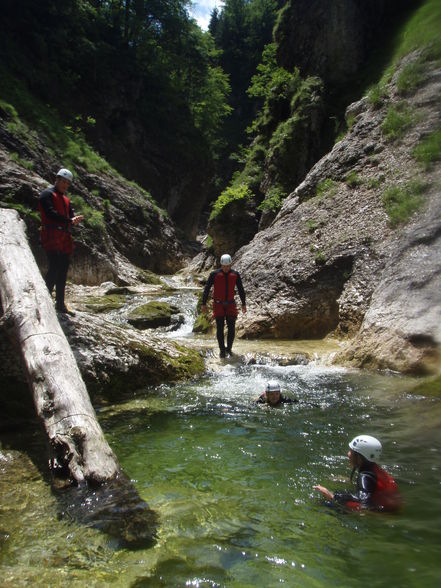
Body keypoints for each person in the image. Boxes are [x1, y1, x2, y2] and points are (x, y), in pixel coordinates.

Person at [313, 434, 402, 512]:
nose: (348, 454)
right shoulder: (374, 468)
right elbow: (373, 486)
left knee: (325, 504)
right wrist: (348, 480)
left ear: (359, 458)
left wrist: (332, 496)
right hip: (392, 506)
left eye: (351, 451)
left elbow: (363, 499)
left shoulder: (364, 476)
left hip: (380, 511)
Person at [38, 168, 83, 315]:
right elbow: (51, 213)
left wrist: (73, 220)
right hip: (51, 233)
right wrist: (69, 220)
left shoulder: (66, 200)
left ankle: (60, 304)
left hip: (64, 236)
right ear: (56, 179)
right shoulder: (47, 194)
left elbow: (69, 216)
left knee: (63, 269)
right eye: (63, 181)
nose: (65, 185)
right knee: (54, 267)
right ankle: (44, 301)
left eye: (67, 183)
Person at [201, 253, 246, 358]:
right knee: (220, 328)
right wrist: (203, 303)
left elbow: (241, 289)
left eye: (228, 266)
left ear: (230, 264)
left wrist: (244, 303)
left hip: (230, 304)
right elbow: (207, 289)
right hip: (218, 305)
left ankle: (229, 349)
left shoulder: (235, 274)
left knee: (231, 328)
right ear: (221, 265)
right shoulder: (214, 274)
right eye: (224, 266)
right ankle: (222, 350)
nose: (226, 268)